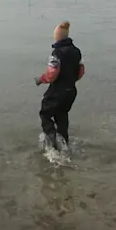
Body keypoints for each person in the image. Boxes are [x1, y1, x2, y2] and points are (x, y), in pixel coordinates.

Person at [34, 21, 85, 150]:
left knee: (45, 113)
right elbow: (81, 71)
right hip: (71, 90)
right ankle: (64, 143)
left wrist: (41, 79)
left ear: (57, 37)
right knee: (62, 115)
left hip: (58, 90)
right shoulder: (77, 51)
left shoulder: (57, 53)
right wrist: (70, 80)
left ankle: (52, 140)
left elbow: (52, 74)